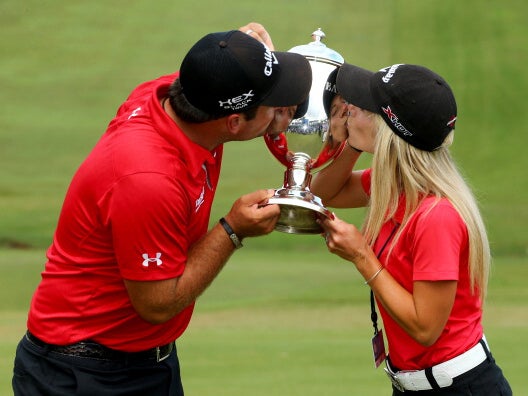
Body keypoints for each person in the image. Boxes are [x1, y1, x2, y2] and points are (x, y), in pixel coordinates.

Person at [12, 22, 312, 395]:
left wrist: (240, 53)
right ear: (233, 123)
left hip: (144, 360)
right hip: (84, 374)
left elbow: (210, 72)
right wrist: (232, 230)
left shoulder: (166, 96)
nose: (284, 111)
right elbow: (156, 304)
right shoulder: (149, 179)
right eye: (273, 105)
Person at [312, 63, 512, 395]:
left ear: (389, 129)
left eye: (361, 108)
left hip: (459, 388)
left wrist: (361, 255)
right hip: (414, 385)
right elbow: (322, 194)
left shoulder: (437, 215)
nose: (349, 111)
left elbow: (425, 327)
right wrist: (353, 143)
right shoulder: (395, 187)